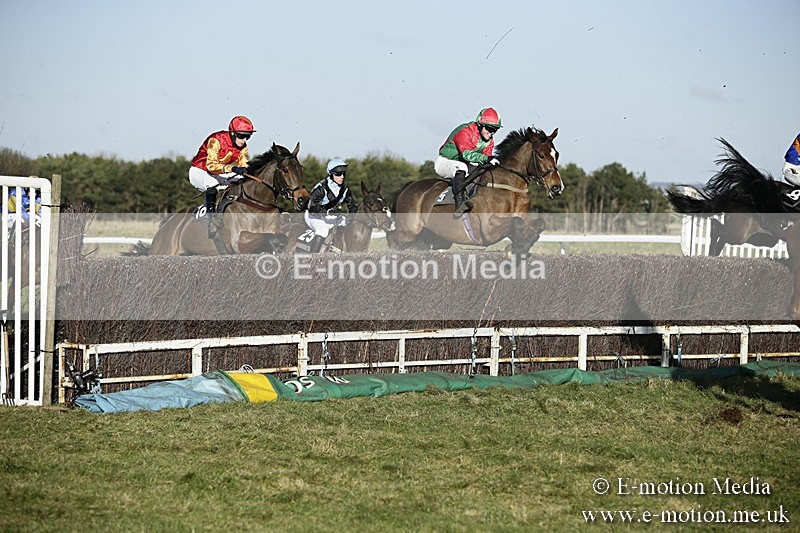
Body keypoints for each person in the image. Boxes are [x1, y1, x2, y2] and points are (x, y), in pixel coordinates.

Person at [435, 107, 502, 216]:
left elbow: (485, 159)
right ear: (480, 124)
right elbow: (467, 155)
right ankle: (459, 203)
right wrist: (486, 158)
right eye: (490, 128)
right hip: (445, 161)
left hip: (466, 163)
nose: (492, 133)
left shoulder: (489, 141)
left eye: (495, 129)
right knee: (462, 167)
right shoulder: (465, 131)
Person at [189, 115, 255, 219]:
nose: (244, 140)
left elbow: (243, 165)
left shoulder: (243, 147)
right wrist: (232, 168)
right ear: (233, 133)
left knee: (243, 180)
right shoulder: (216, 140)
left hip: (219, 173)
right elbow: (211, 166)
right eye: (242, 136)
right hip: (200, 171)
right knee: (212, 183)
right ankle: (210, 217)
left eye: (248, 137)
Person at [302, 157, 358, 252]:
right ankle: (312, 258)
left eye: (344, 173)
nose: (342, 177)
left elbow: (352, 205)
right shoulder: (321, 188)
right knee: (323, 230)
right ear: (330, 174)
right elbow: (311, 207)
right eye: (338, 174)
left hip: (331, 217)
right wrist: (327, 212)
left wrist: (352, 216)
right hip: (313, 216)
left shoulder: (345, 189)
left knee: (351, 225)